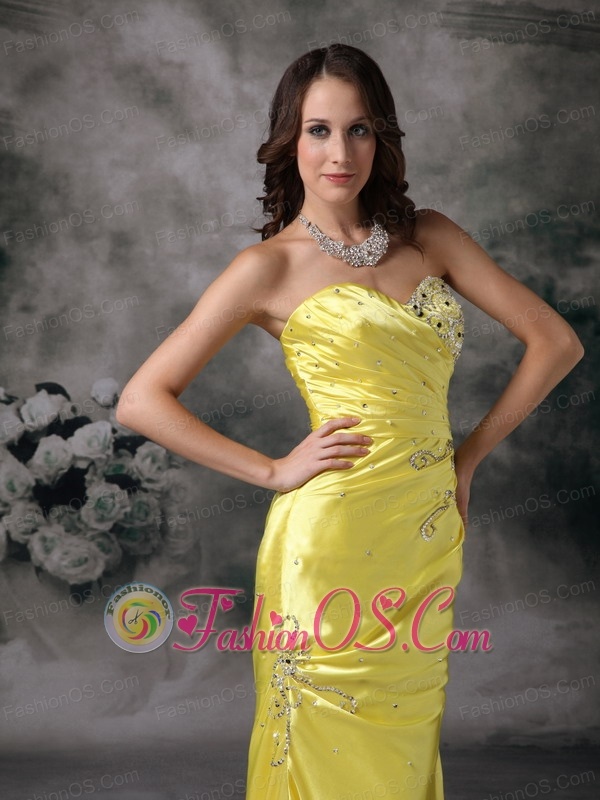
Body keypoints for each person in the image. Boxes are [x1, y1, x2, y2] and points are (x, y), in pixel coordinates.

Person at [116, 44, 584, 799]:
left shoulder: (430, 237)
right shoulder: (267, 268)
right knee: (317, 738)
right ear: (289, 141)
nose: (341, 153)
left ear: (381, 138)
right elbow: (142, 399)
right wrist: (273, 471)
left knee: (406, 734)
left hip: (422, 533)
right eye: (319, 130)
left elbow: (556, 341)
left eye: (359, 129)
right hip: (327, 541)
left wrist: (466, 460)